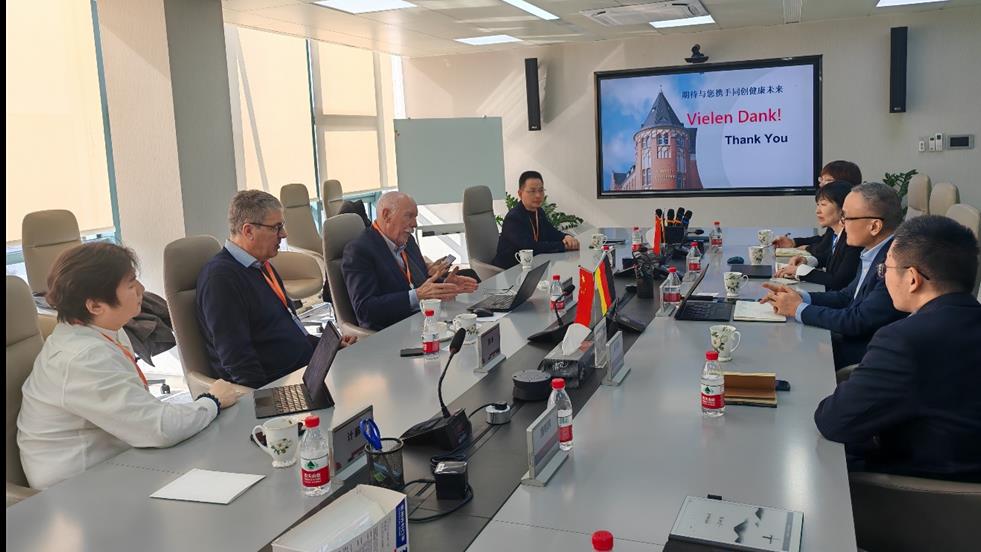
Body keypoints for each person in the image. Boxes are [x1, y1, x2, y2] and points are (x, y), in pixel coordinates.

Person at [16, 243, 242, 490]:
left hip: (119, 459)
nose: (142, 290)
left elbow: (145, 417)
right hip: (77, 488)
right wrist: (212, 401)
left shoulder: (103, 331)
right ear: (95, 306)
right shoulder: (83, 358)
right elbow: (159, 429)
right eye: (131, 285)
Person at [813, 216, 981, 481]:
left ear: (912, 278)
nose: (883, 277)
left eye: (885, 269)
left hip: (923, 487)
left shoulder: (905, 340)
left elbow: (834, 422)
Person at [197, 190, 356, 389]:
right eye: (276, 227)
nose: (284, 234)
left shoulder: (261, 266)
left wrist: (329, 348)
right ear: (248, 231)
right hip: (280, 385)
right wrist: (268, 399)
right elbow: (238, 361)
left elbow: (290, 330)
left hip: (305, 372)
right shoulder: (221, 280)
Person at [761, 183, 907, 368]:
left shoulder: (894, 263)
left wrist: (797, 309)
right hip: (847, 340)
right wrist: (800, 297)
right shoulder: (872, 251)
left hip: (864, 355)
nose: (842, 223)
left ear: (874, 226)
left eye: (847, 217)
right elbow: (846, 297)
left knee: (776, 353)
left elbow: (857, 321)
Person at [342, 191, 478, 331]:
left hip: (423, 323)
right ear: (386, 215)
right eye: (409, 216)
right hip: (391, 332)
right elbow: (365, 310)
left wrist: (445, 286)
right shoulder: (359, 251)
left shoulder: (408, 242)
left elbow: (420, 283)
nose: (414, 224)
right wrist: (417, 296)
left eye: (415, 217)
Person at [774, 181, 862, 291]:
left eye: (823, 205)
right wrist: (806, 261)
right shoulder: (836, 233)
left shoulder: (853, 239)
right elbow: (830, 258)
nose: (818, 211)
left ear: (843, 208)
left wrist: (799, 271)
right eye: (818, 205)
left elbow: (838, 281)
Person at [492, 171, 580, 269]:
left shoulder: (539, 212)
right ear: (520, 194)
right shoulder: (513, 218)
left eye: (541, 190)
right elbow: (530, 247)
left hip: (533, 266)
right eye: (532, 191)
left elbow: (551, 232)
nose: (538, 195)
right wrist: (563, 246)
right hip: (510, 270)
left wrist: (566, 237)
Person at [772, 160, 862, 249]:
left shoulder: (853, 235)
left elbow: (825, 249)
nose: (821, 185)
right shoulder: (837, 224)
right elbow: (825, 240)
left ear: (844, 187)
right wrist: (794, 242)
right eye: (821, 180)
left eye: (828, 181)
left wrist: (807, 248)